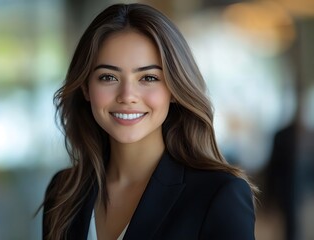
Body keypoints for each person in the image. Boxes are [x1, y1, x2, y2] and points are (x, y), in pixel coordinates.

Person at [42, 3, 257, 240]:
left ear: (174, 89)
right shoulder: (63, 190)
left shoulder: (218, 195)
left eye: (148, 77)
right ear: (85, 87)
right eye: (108, 77)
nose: (127, 96)